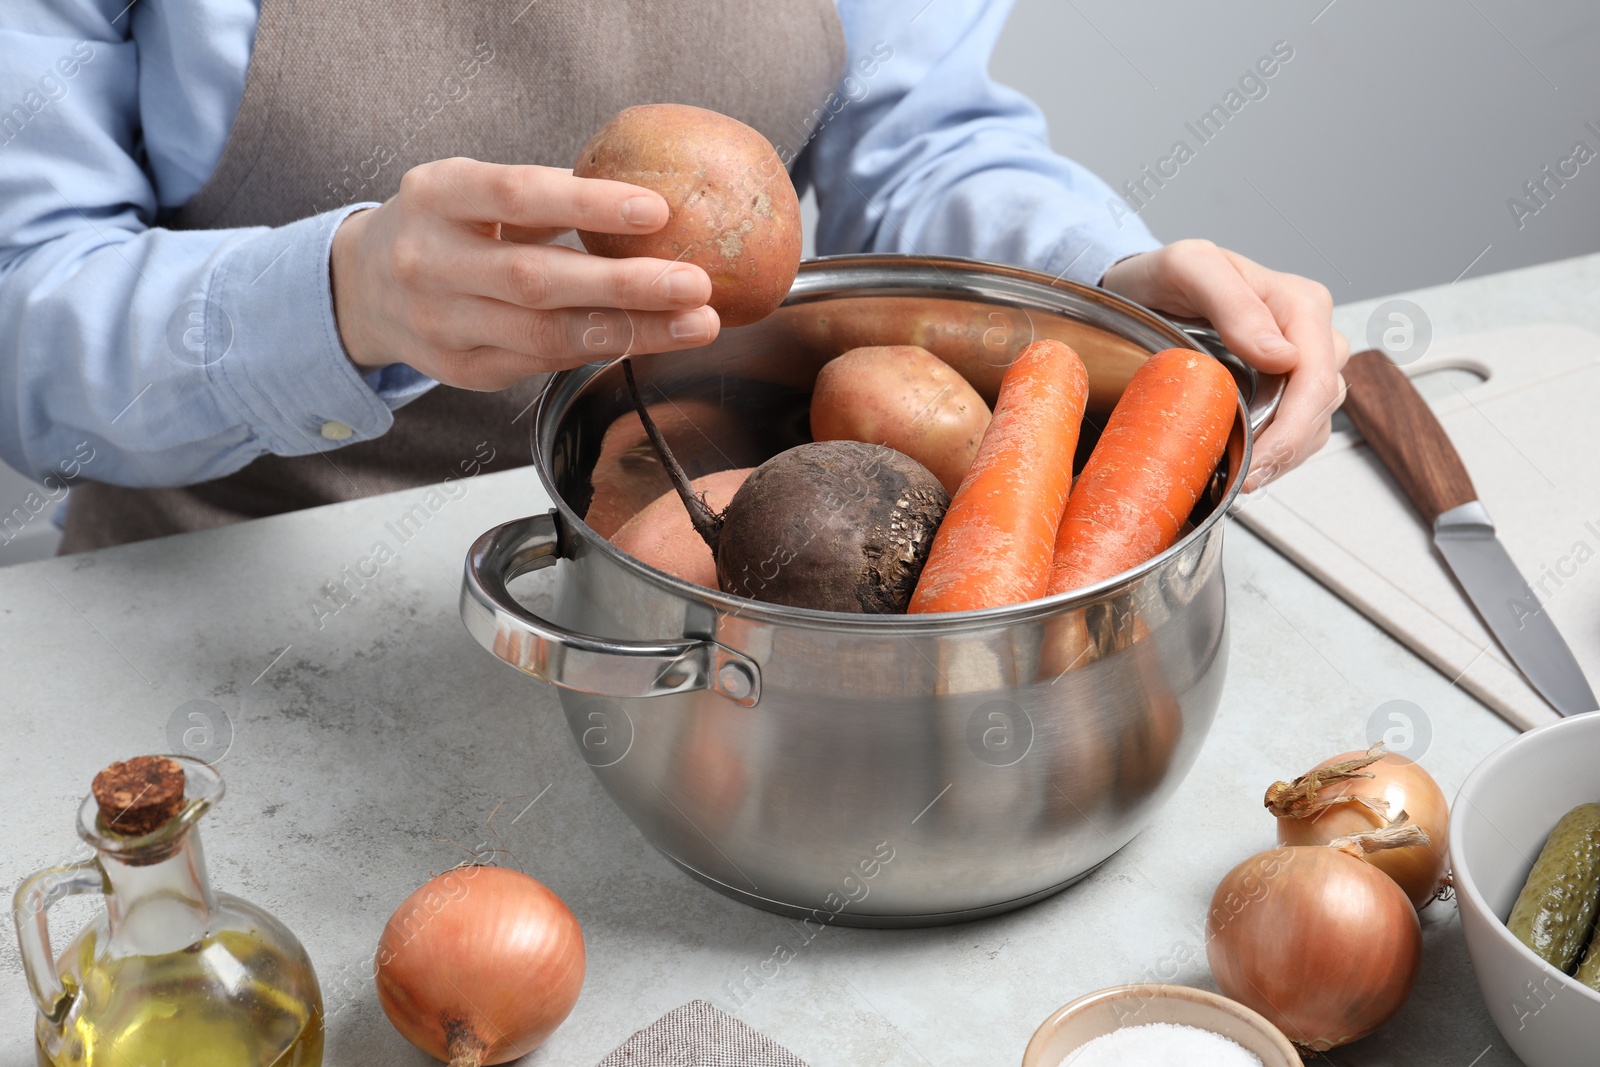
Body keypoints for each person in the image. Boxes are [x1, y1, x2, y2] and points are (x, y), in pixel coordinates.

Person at [0, 0, 1349, 554]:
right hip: (233, 630)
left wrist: (1103, 287)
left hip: (739, 576)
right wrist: (340, 299)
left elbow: (921, 143)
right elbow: (26, 329)